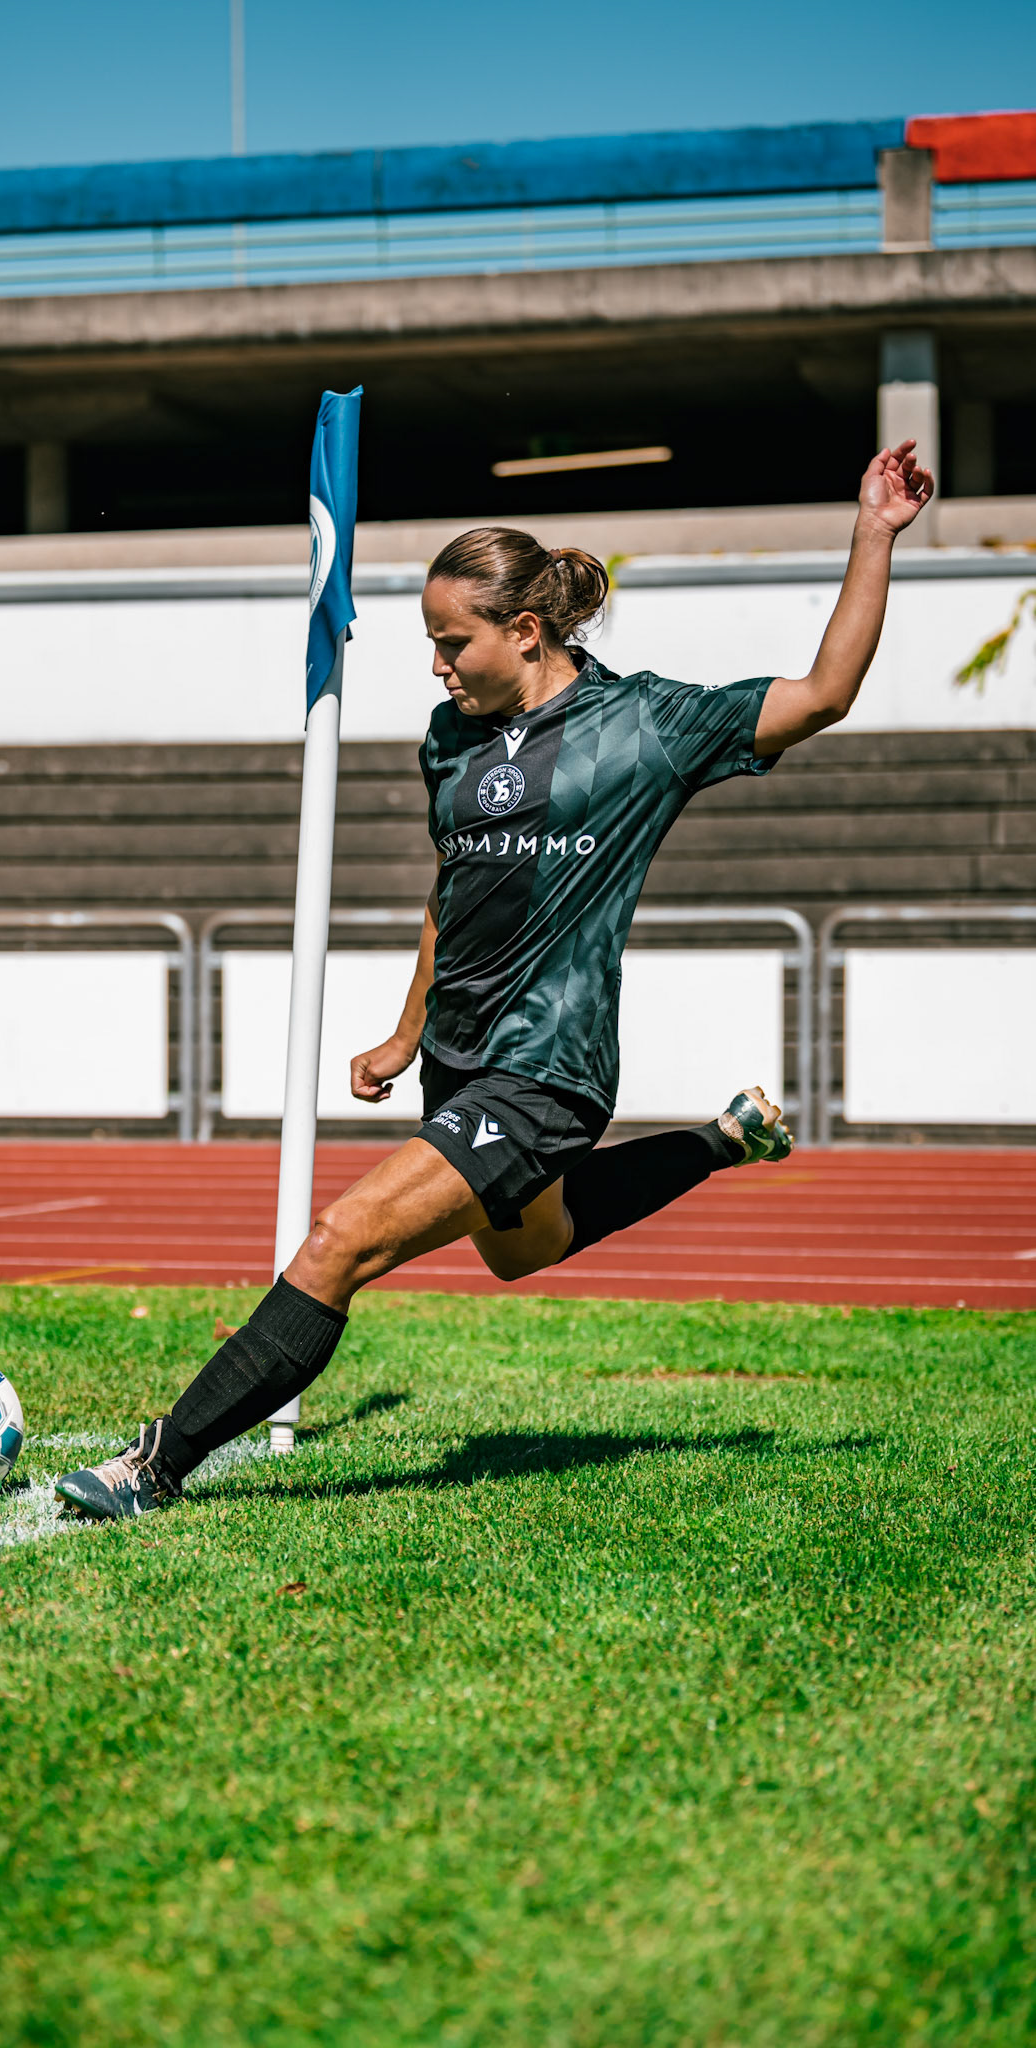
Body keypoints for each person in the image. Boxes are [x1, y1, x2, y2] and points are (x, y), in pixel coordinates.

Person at [56, 437, 934, 1521]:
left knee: (340, 1241)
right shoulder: (449, 738)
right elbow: (453, 888)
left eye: (449, 641)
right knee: (531, 1249)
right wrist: (404, 1031)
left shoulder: (645, 725)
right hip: (462, 1059)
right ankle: (722, 1138)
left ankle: (154, 1463)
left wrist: (872, 532)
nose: (436, 665)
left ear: (525, 632)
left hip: (546, 1070)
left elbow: (824, 693)